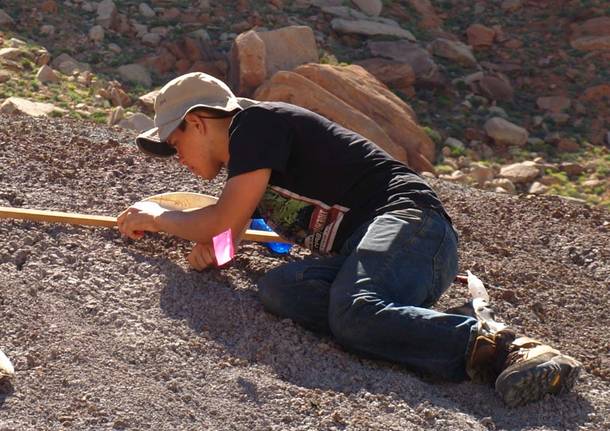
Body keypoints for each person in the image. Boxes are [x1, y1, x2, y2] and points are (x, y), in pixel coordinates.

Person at [117, 72, 581, 407]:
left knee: (352, 311)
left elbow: (219, 219)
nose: (177, 158)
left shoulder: (254, 125)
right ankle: (390, 319)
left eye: (175, 145)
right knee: (281, 289)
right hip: (381, 254)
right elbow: (228, 234)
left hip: (411, 225)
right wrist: (212, 256)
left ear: (197, 122)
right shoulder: (252, 173)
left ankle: (507, 348)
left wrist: (158, 216)